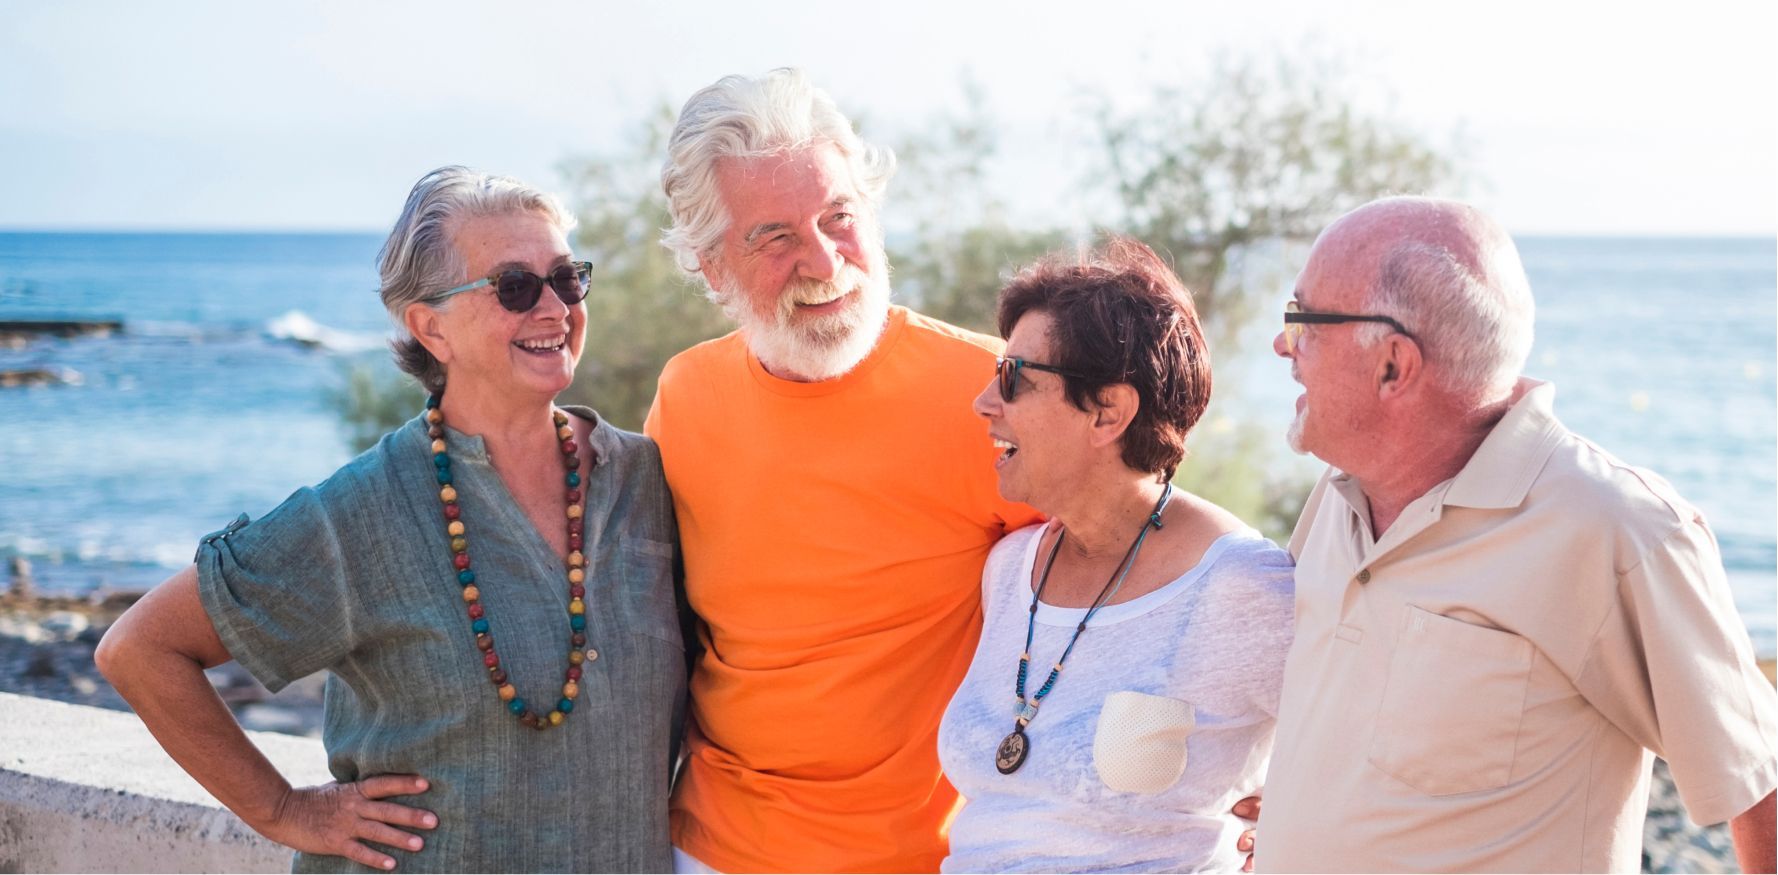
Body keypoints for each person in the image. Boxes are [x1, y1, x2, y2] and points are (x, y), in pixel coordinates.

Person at [96, 167, 685, 873]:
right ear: (431, 326)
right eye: (515, 286)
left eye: (566, 277)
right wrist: (284, 809)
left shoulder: (650, 481)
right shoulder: (364, 512)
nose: (554, 306)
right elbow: (139, 648)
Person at [1258, 196, 1778, 873]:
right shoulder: (1338, 497)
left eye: (1302, 320)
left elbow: (1758, 786)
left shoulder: (1618, 529)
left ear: (1393, 364)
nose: (1282, 344)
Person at [643, 68, 1042, 873]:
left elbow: (1140, 568)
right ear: (711, 266)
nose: (824, 261)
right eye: (775, 237)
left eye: (839, 218)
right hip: (713, 850)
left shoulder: (994, 394)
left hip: (928, 857)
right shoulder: (686, 396)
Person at [937, 239, 1294, 873]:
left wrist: (1299, 827)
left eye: (1013, 378)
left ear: (1109, 411)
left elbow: (1385, 758)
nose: (984, 402)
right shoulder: (1010, 568)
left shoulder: (1238, 584)